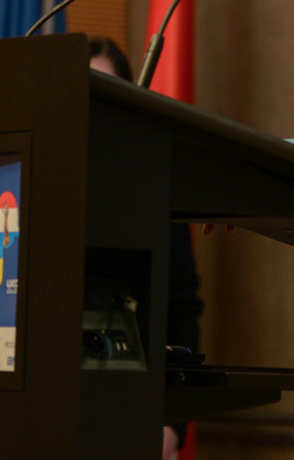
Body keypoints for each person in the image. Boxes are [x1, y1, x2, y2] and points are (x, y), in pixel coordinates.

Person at [89, 35, 205, 460]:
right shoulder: (36, 186)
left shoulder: (156, 190)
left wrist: (172, 426)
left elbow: (182, 309)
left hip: (137, 425)